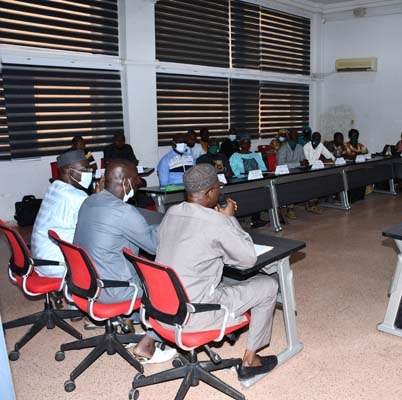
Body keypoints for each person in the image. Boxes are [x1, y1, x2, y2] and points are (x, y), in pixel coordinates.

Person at [155, 164, 279, 380]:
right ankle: (251, 360)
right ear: (211, 191)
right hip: (194, 315)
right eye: (218, 188)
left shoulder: (171, 212)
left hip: (162, 310)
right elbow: (248, 259)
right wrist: (229, 219)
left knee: (227, 279)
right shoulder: (217, 222)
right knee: (268, 285)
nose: (220, 191)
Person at [74, 160, 174, 362]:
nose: (138, 184)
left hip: (85, 284)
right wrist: (169, 224)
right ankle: (149, 343)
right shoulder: (125, 212)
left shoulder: (89, 201)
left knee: (126, 258)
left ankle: (128, 322)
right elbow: (153, 247)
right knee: (171, 287)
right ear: (126, 181)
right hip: (111, 290)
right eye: (136, 180)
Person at [31, 150, 97, 278]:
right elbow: (97, 224)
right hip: (58, 264)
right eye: (85, 170)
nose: (90, 173)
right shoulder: (77, 196)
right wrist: (98, 199)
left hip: (40, 259)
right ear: (69, 172)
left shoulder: (54, 187)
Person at [276, 130, 307, 219]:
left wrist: (305, 162)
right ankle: (290, 209)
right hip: (284, 174)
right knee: (291, 184)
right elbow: (281, 164)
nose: (296, 138)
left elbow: (302, 160)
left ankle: (311, 203)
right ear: (288, 137)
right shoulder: (283, 148)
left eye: (297, 136)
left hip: (296, 172)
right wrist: (298, 164)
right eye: (294, 136)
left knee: (311, 180)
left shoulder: (299, 147)